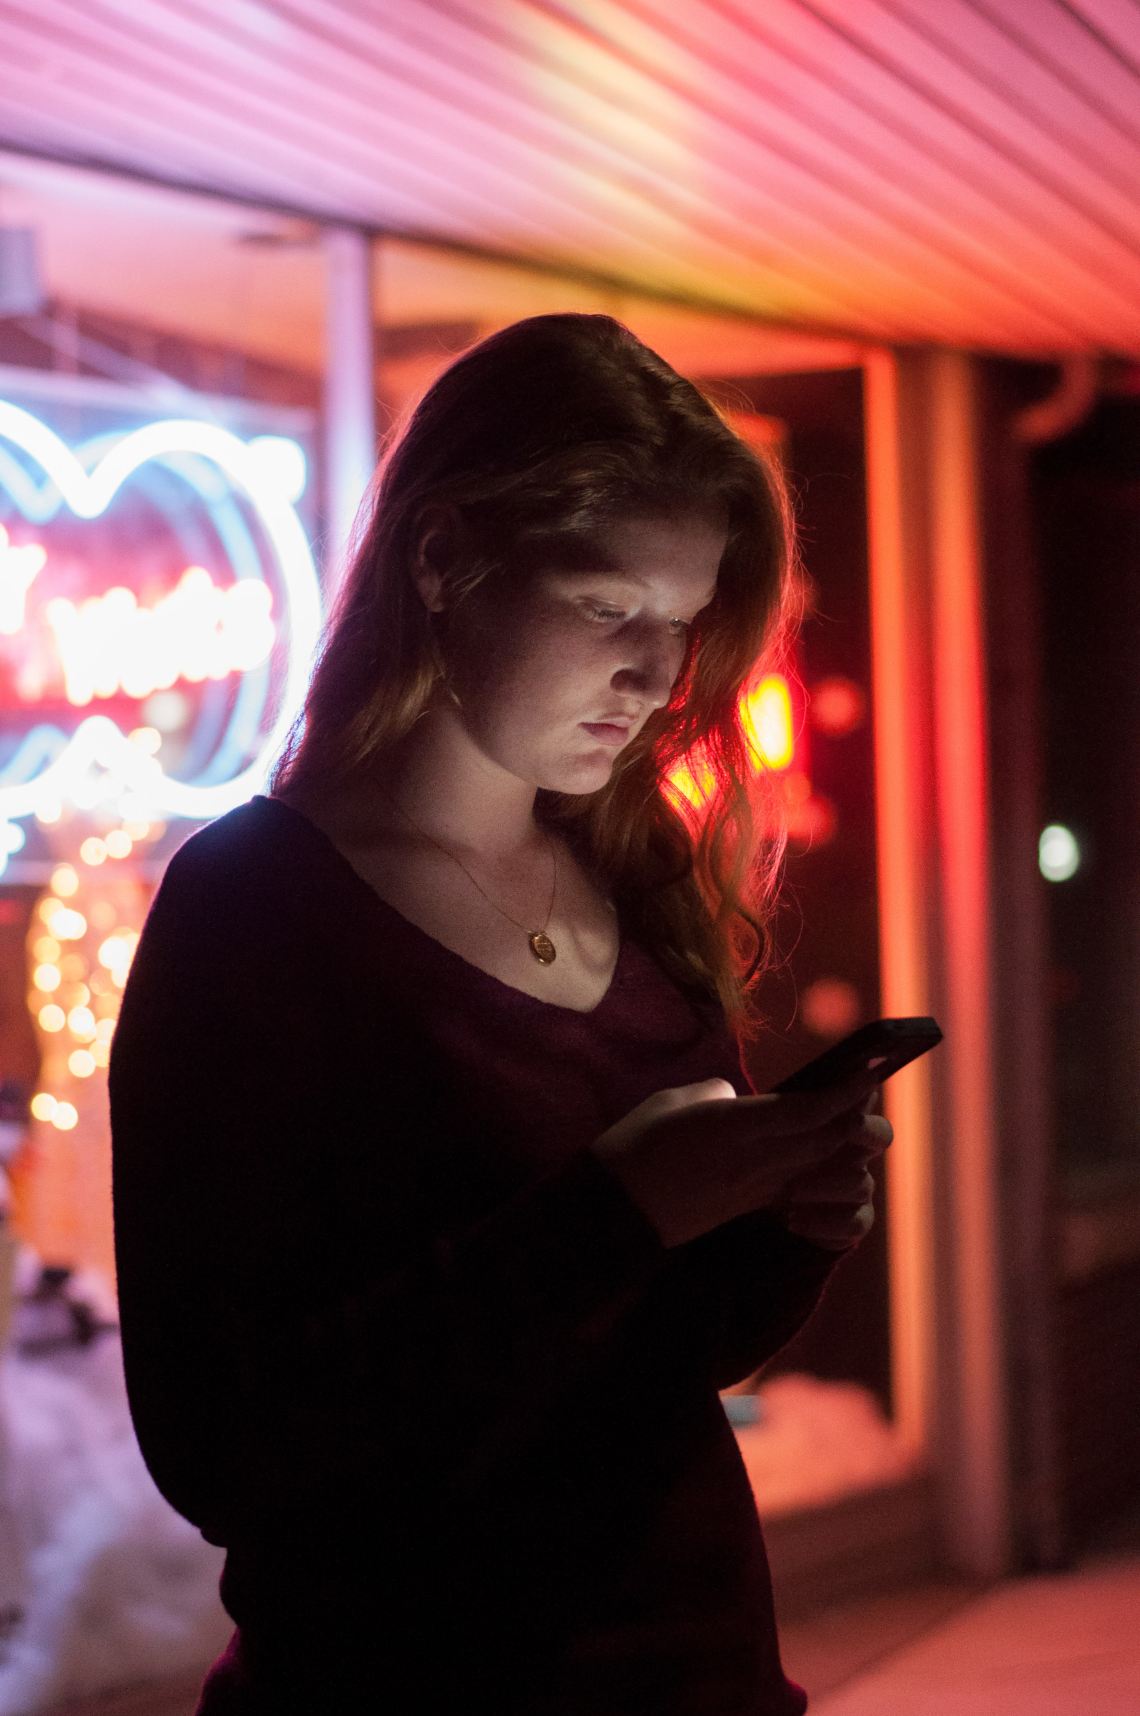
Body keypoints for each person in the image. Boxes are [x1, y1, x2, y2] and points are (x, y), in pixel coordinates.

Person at [109, 313, 891, 1715]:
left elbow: (657, 1364)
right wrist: (615, 1209)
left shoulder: (634, 876)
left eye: (685, 622)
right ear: (445, 556)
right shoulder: (257, 908)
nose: (658, 679)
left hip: (705, 1674)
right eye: (608, 610)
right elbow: (224, 1449)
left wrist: (788, 1225)